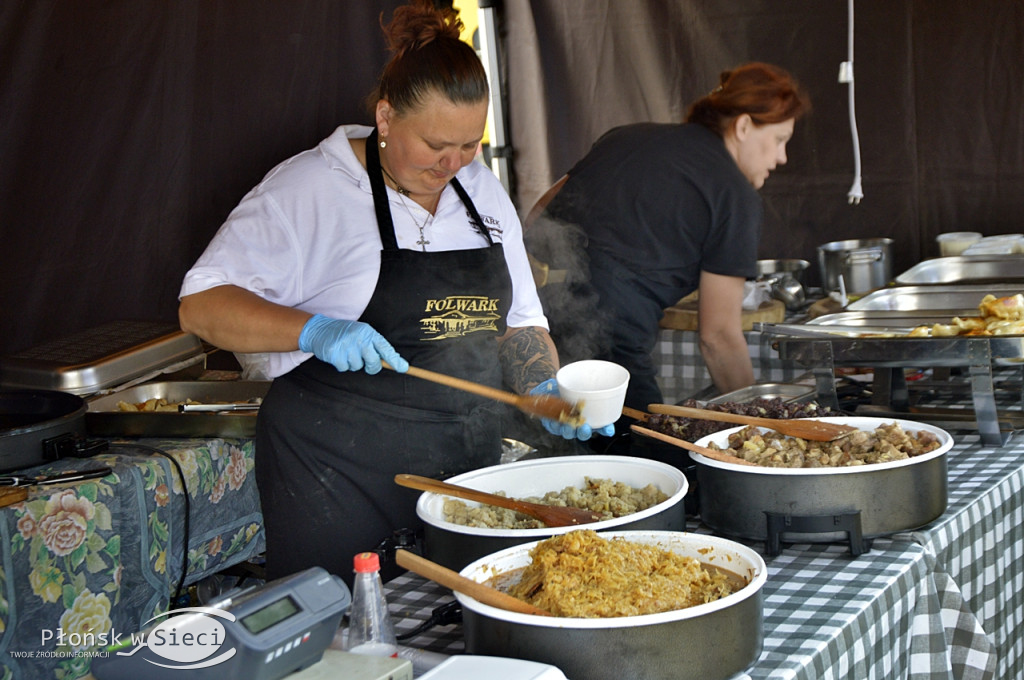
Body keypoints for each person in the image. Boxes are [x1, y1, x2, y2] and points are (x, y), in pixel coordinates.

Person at [178, 0, 608, 587]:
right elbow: (201, 303)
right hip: (332, 472)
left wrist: (540, 385)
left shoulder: (480, 191)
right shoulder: (310, 187)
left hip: (462, 468)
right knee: (345, 649)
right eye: (435, 144)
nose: (452, 164)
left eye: (470, 144)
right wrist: (313, 329)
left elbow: (520, 321)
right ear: (385, 118)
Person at [525, 62, 811, 416]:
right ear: (743, 126)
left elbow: (538, 214)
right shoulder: (735, 196)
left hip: (531, 330)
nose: (782, 157)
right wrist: (756, 425)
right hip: (608, 344)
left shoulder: (627, 135)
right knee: (641, 454)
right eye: (779, 140)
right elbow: (718, 337)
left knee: (553, 446)